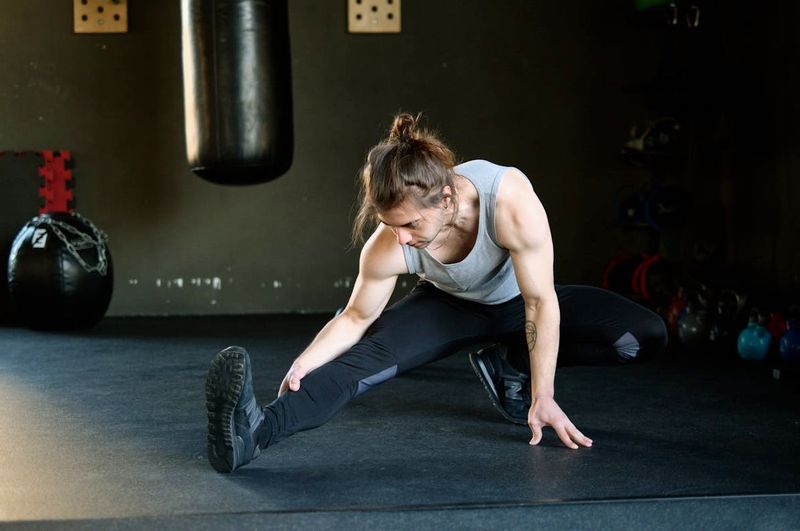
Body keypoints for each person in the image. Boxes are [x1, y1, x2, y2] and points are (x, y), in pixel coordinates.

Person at [204, 113, 668, 473]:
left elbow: (540, 302)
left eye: (410, 224)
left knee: (643, 336)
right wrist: (307, 360)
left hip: (520, 301)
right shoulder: (388, 245)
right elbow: (355, 318)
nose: (400, 238)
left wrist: (541, 393)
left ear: (446, 199)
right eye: (389, 225)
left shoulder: (507, 200)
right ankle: (255, 433)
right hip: (448, 308)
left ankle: (508, 363)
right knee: (357, 367)